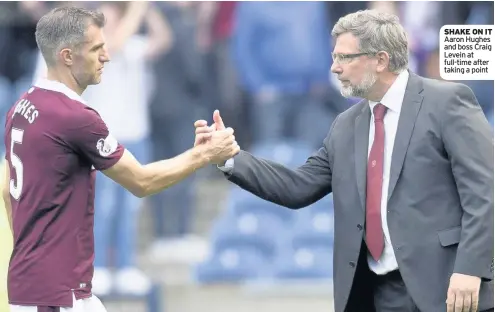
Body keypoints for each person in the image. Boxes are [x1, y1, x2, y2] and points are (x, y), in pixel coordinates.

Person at [195, 9, 494, 312]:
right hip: (378, 295)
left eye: (345, 58)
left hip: (449, 291)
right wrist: (230, 157)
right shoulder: (345, 125)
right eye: (334, 56)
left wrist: (470, 268)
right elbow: (298, 186)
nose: (334, 68)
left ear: (381, 60)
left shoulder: (447, 101)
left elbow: (485, 192)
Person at [3, 6, 239, 312]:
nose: (107, 56)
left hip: (43, 286)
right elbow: (142, 181)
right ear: (67, 56)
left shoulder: (21, 106)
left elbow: (6, 188)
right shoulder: (74, 117)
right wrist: (204, 154)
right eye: (97, 49)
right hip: (56, 294)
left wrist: (28, 252)